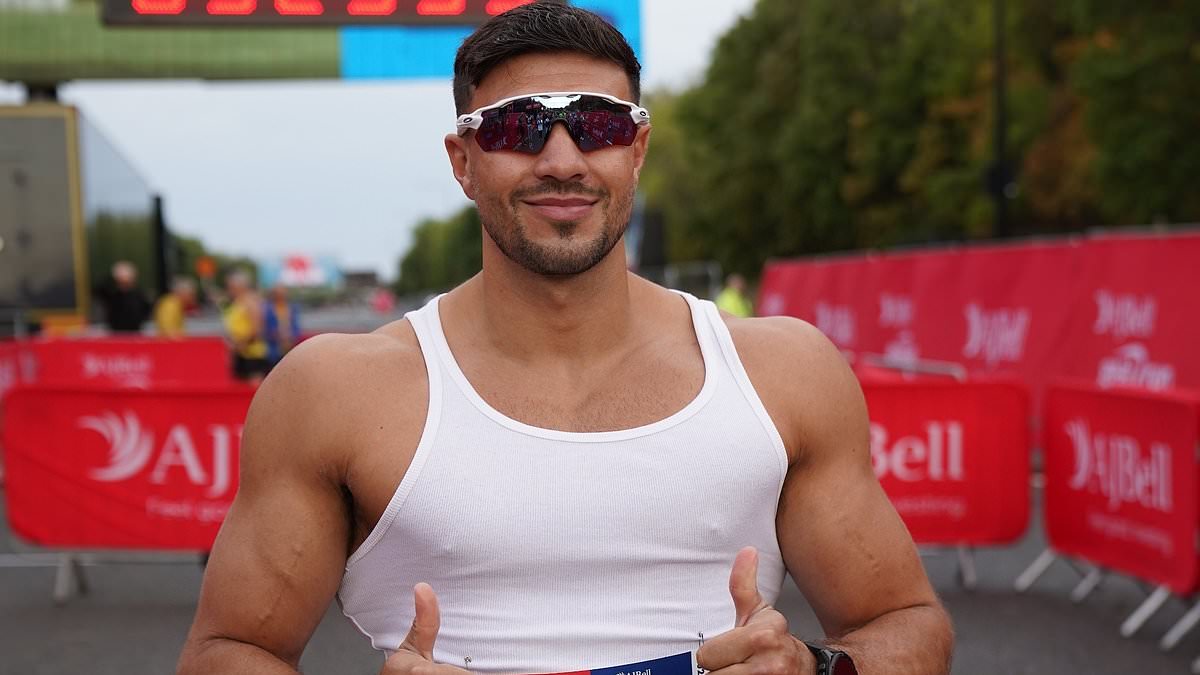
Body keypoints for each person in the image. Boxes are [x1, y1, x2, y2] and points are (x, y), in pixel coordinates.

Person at [177, 4, 952, 675]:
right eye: (517, 127)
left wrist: (816, 665)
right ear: (463, 161)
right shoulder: (336, 390)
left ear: (636, 150)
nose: (561, 159)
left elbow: (909, 626)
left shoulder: (783, 370)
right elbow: (229, 648)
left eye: (598, 125)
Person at [221, 269, 269, 383]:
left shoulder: (250, 302)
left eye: (232, 287)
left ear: (241, 286)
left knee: (254, 387)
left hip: (252, 353)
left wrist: (241, 343)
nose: (229, 290)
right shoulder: (237, 302)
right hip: (240, 352)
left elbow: (257, 329)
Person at [95, 260, 151, 333]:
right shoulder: (112, 295)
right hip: (115, 334)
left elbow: (145, 311)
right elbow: (99, 289)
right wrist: (114, 276)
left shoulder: (139, 294)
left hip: (135, 333)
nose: (124, 281)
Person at [262, 284, 300, 366]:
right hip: (274, 349)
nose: (281, 296)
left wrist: (290, 337)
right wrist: (277, 336)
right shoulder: (267, 309)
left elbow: (296, 327)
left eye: (283, 294)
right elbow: (265, 329)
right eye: (278, 294)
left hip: (290, 347)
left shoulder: (292, 308)